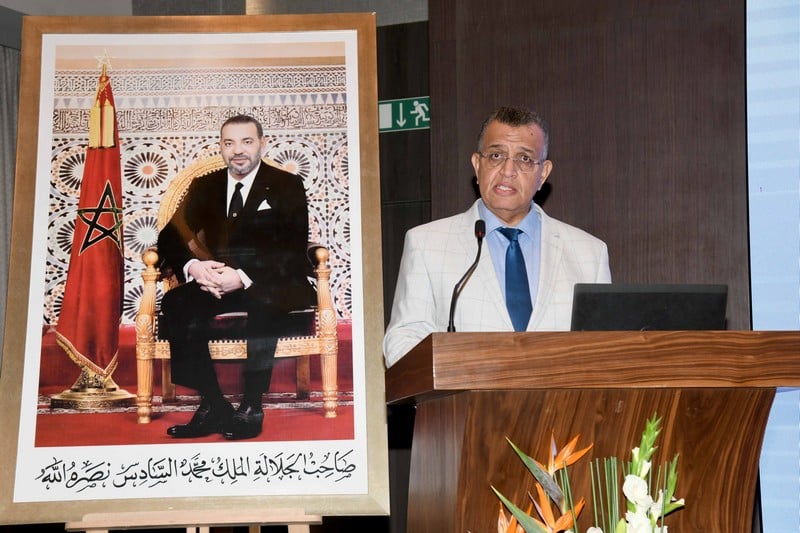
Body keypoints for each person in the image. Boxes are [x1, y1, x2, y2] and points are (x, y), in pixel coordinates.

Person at [383, 105, 611, 367]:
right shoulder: (426, 244)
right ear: (477, 164)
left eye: (524, 159)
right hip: (466, 393)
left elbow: (605, 353)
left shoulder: (589, 254)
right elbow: (402, 344)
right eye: (496, 155)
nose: (508, 170)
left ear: (543, 173)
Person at [157, 114, 315, 439]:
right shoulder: (206, 186)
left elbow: (291, 247)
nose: (238, 150)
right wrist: (195, 267)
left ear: (262, 144)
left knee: (263, 301)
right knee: (176, 302)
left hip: (272, 280)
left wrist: (242, 276)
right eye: (229, 143)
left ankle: (252, 406)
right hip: (217, 280)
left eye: (246, 141)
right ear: (221, 147)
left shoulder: (286, 185)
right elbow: (170, 236)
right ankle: (213, 404)